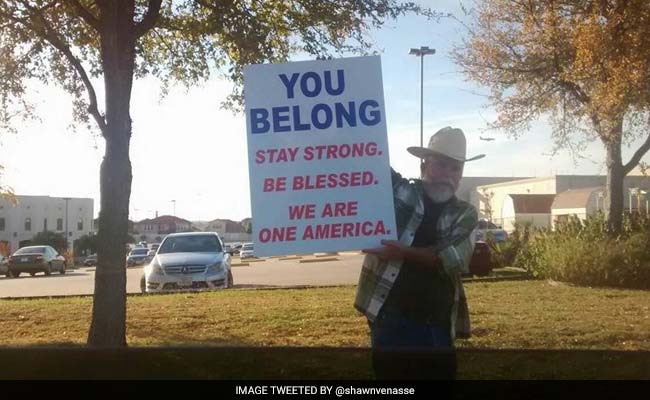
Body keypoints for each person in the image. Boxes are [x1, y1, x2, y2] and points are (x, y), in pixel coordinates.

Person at [354, 126, 484, 380]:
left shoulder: (465, 213)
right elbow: (362, 160)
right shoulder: (400, 191)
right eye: (441, 164)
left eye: (455, 168)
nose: (447, 174)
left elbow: (452, 259)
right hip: (388, 318)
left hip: (436, 325)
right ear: (424, 165)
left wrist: (401, 252)